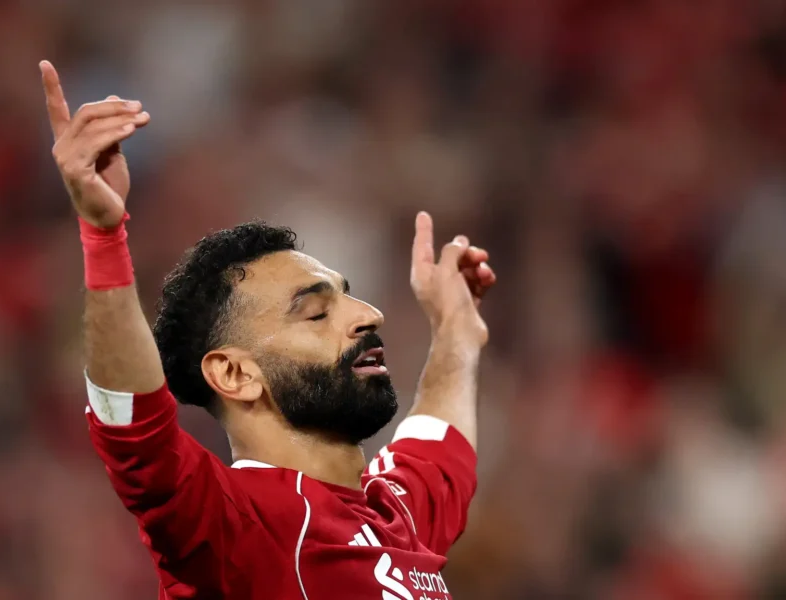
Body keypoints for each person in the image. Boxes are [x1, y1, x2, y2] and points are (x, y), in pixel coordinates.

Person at [40, 59, 497, 600]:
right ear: (234, 372)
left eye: (348, 295)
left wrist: (456, 329)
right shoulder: (239, 525)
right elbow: (132, 429)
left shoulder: (397, 516)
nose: (368, 315)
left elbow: (437, 442)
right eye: (316, 313)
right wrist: (102, 234)